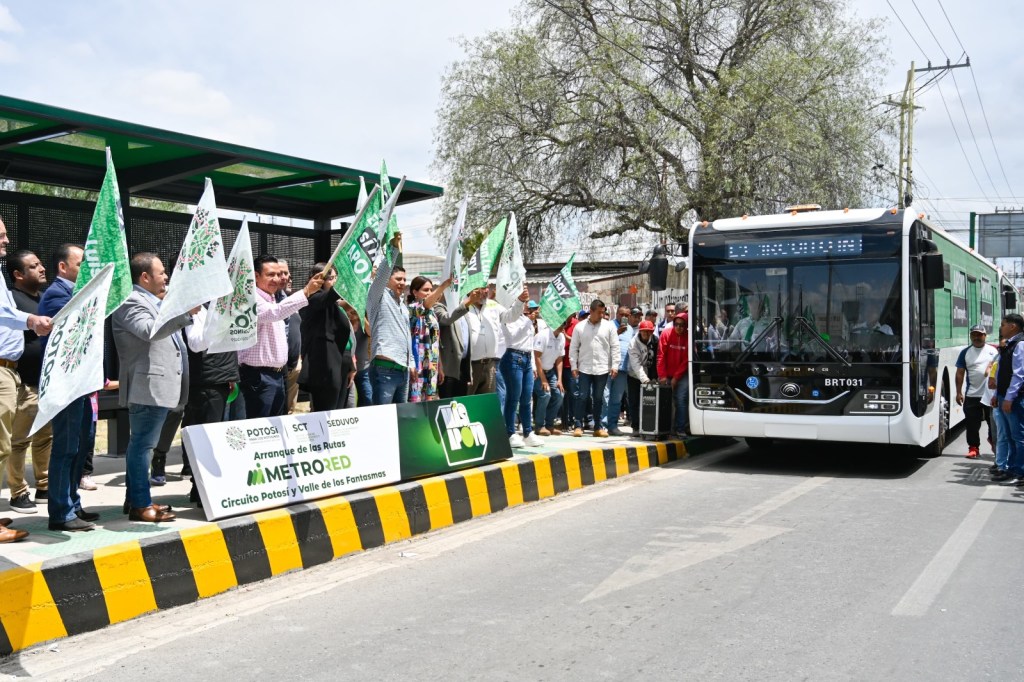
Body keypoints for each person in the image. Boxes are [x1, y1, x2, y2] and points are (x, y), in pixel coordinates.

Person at [112, 252, 198, 522]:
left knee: (142, 445)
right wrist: (184, 314)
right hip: (147, 387)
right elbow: (149, 330)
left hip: (156, 387)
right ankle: (140, 505)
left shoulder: (153, 300)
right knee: (143, 446)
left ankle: (136, 499)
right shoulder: (131, 301)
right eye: (161, 273)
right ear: (145, 277)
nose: (166, 277)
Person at [36, 244, 103, 531]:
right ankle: (60, 513)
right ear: (63, 267)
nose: (86, 269)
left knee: (79, 446)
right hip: (65, 386)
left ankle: (73, 505)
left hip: (80, 385)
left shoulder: (76, 293)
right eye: (81, 264)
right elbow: (72, 334)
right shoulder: (56, 295)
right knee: (65, 448)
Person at [0, 225, 54, 542]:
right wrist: (31, 320)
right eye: (1, 235)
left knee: (9, 444)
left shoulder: (1, 277)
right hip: (7, 372)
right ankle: (15, 493)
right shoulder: (11, 290)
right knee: (7, 444)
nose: (7, 239)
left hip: (15, 372)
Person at [238, 255, 323, 417]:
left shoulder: (272, 299)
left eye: (278, 274)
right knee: (260, 426)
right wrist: (306, 291)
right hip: (258, 376)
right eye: (270, 274)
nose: (276, 279)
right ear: (256, 276)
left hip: (278, 375)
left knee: (276, 425)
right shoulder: (249, 298)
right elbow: (274, 313)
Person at [179, 302, 240, 506]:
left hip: (220, 380)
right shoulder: (196, 308)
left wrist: (230, 375)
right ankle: (201, 491)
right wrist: (216, 321)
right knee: (203, 439)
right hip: (205, 383)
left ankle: (201, 490)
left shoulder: (215, 307)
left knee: (212, 438)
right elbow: (196, 344)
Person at [7, 250, 50, 514]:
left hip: (47, 383)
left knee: (46, 437)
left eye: (40, 263)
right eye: (34, 266)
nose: (41, 268)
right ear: (18, 274)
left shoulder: (44, 299)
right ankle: (18, 492)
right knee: (19, 440)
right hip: (24, 383)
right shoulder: (11, 300)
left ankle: (44, 486)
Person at [299, 263, 353, 412]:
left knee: (339, 410)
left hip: (341, 361)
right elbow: (330, 296)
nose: (334, 281)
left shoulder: (334, 305)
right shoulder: (312, 298)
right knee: (326, 410)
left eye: (336, 278)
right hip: (324, 365)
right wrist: (352, 274)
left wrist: (351, 364)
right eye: (330, 278)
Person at [367, 234, 413, 404]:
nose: (402, 282)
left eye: (404, 279)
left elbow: (406, 335)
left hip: (403, 371)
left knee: (400, 417)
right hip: (384, 370)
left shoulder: (402, 305)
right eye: (398, 279)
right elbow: (381, 275)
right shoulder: (378, 296)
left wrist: (411, 363)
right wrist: (393, 249)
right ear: (387, 279)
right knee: (382, 417)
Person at [569, 299, 618, 437]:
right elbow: (573, 348)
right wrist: (574, 365)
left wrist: (615, 365)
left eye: (603, 312)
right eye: (599, 312)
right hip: (584, 368)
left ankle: (598, 427)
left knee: (598, 398)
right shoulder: (580, 327)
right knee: (582, 396)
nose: (601, 315)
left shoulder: (609, 326)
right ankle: (578, 425)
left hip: (602, 368)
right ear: (591, 311)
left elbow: (615, 347)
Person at [499, 288, 538, 447]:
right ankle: (510, 432)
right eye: (524, 302)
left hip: (526, 358)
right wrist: (529, 320)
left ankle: (528, 432)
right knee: (513, 397)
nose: (527, 305)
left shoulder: (526, 319)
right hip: (513, 356)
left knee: (526, 398)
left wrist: (533, 365)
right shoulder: (508, 317)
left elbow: (530, 344)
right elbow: (513, 337)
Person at [466, 286, 519, 396]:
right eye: (482, 288)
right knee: (467, 400)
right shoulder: (463, 306)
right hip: (470, 366)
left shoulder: (493, 305)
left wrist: (520, 301)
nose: (486, 291)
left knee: (486, 401)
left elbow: (510, 317)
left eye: (487, 287)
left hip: (490, 364)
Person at [955, 324, 998, 459]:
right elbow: (960, 373)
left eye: (979, 335)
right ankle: (973, 448)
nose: (976, 337)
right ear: (970, 336)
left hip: (990, 395)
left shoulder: (993, 351)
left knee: (993, 423)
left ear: (985, 336)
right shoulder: (965, 352)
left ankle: (993, 441)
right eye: (973, 335)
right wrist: (958, 392)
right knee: (972, 424)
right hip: (972, 394)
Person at [407, 275, 452, 402]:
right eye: (426, 290)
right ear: (415, 292)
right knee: (415, 402)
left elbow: (435, 341)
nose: (429, 293)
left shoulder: (432, 313)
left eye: (431, 290)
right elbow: (425, 306)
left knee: (429, 402)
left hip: (432, 365)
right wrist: (443, 286)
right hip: (417, 364)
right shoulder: (411, 309)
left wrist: (439, 366)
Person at [992, 314, 1024, 485]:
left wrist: (1009, 398)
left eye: (1003, 324)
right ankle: (1011, 469)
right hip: (1004, 396)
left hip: (1015, 399)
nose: (1001, 328)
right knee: (1011, 436)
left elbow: (1019, 375)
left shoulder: (1020, 345)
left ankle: (1020, 472)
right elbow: (1000, 372)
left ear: (1013, 326)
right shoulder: (1009, 345)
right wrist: (997, 394)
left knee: (1018, 437)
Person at [435, 288, 476, 399]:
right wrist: (467, 303)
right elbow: (447, 319)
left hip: (463, 366)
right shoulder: (438, 307)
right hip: (448, 368)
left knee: (460, 404)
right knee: (447, 403)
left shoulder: (464, 309)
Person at [605, 305, 638, 435]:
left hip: (623, 369)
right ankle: (602, 425)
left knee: (616, 399)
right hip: (608, 367)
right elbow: (602, 343)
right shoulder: (608, 326)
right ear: (616, 314)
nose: (623, 317)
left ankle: (612, 426)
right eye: (621, 314)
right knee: (605, 397)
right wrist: (617, 333)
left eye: (626, 315)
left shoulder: (630, 330)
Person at [533, 306, 565, 436]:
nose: (562, 326)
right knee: (545, 395)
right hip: (537, 371)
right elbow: (537, 357)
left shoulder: (561, 337)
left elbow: (559, 359)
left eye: (564, 323)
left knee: (559, 395)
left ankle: (549, 425)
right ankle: (539, 426)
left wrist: (559, 380)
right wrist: (543, 380)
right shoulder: (543, 335)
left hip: (550, 371)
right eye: (560, 323)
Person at [276, 259, 303, 414]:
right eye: (281, 273)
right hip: (277, 366)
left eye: (288, 274)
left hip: (294, 364)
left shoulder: (292, 302)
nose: (287, 278)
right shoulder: (271, 303)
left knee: (290, 410)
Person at [658, 311, 690, 437]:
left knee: (681, 400)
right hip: (666, 373)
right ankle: (666, 428)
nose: (679, 327)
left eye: (682, 325)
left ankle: (680, 428)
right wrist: (663, 376)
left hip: (682, 374)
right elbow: (660, 356)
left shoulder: (688, 337)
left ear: (686, 326)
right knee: (666, 401)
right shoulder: (666, 333)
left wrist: (676, 377)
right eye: (676, 324)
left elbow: (686, 360)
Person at [627, 319, 659, 432]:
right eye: (644, 331)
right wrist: (645, 380)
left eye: (649, 331)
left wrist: (655, 377)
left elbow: (657, 359)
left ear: (652, 331)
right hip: (634, 375)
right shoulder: (633, 343)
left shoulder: (655, 340)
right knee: (634, 401)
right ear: (640, 331)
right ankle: (635, 426)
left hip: (650, 375)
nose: (646, 333)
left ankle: (648, 425)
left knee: (649, 401)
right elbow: (636, 365)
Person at [346, 305, 372, 406]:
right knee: (348, 403)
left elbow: (371, 332)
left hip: (363, 368)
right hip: (348, 369)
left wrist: (361, 315)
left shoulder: (364, 320)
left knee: (367, 399)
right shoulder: (345, 319)